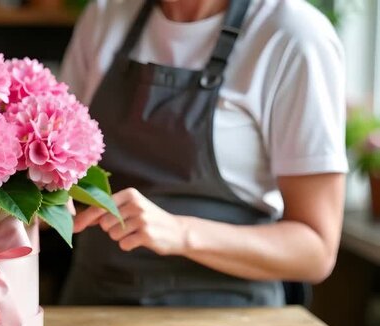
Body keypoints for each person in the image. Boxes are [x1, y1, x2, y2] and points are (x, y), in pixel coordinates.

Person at [59, 0, 348, 306]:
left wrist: (181, 232)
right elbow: (57, 161)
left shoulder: (293, 36)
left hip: (228, 322)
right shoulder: (105, 15)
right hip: (93, 307)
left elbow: (316, 250)